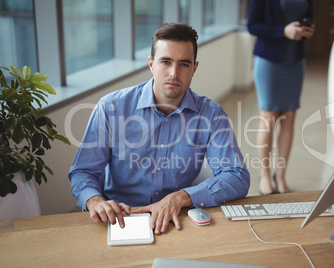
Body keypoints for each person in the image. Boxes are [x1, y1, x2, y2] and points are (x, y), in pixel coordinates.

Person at [68, 23, 250, 235]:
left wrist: (179, 197)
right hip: (120, 218)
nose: (174, 73)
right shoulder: (111, 108)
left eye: (184, 64)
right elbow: (83, 172)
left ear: (194, 68)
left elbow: (236, 176)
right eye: (166, 62)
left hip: (176, 219)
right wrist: (95, 201)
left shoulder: (211, 114)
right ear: (151, 64)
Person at [247, 0, 315, 194]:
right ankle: (265, 175)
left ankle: (281, 176)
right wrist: (283, 31)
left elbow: (308, 16)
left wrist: (309, 29)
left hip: (295, 61)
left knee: (289, 118)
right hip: (269, 62)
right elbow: (252, 26)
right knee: (268, 118)